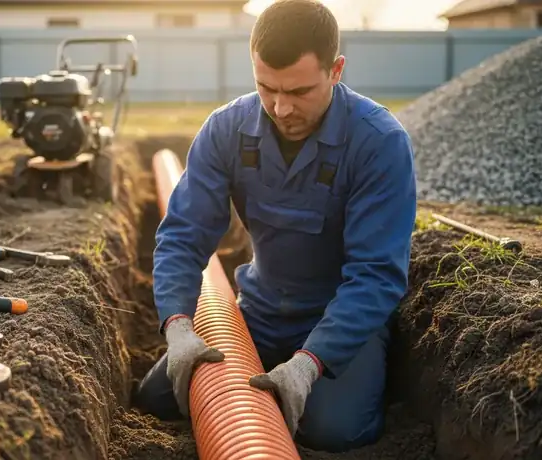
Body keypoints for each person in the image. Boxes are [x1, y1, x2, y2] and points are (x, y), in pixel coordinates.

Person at [135, 0, 417, 453]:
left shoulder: (378, 143)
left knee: (333, 430)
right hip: (260, 310)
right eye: (266, 88)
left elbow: (376, 274)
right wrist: (178, 325)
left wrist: (309, 363)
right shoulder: (227, 130)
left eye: (300, 91)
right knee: (155, 399)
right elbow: (183, 235)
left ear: (336, 69)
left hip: (341, 317)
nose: (281, 108)